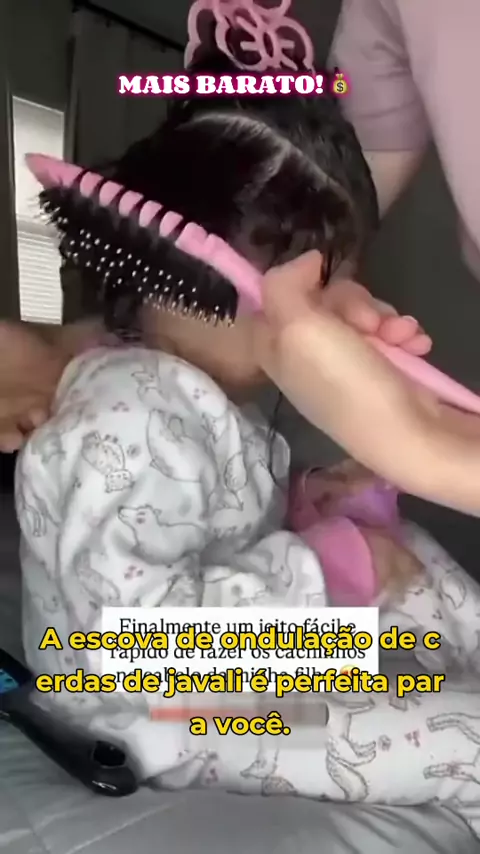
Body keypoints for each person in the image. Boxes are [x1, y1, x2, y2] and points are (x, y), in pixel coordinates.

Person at [15, 40, 480, 833]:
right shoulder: (126, 418)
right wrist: (332, 568)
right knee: (467, 739)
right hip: (155, 715)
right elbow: (134, 652)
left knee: (413, 564)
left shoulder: (201, 394)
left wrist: (315, 510)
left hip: (233, 667)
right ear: (205, 277)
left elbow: (219, 529)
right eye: (322, 288)